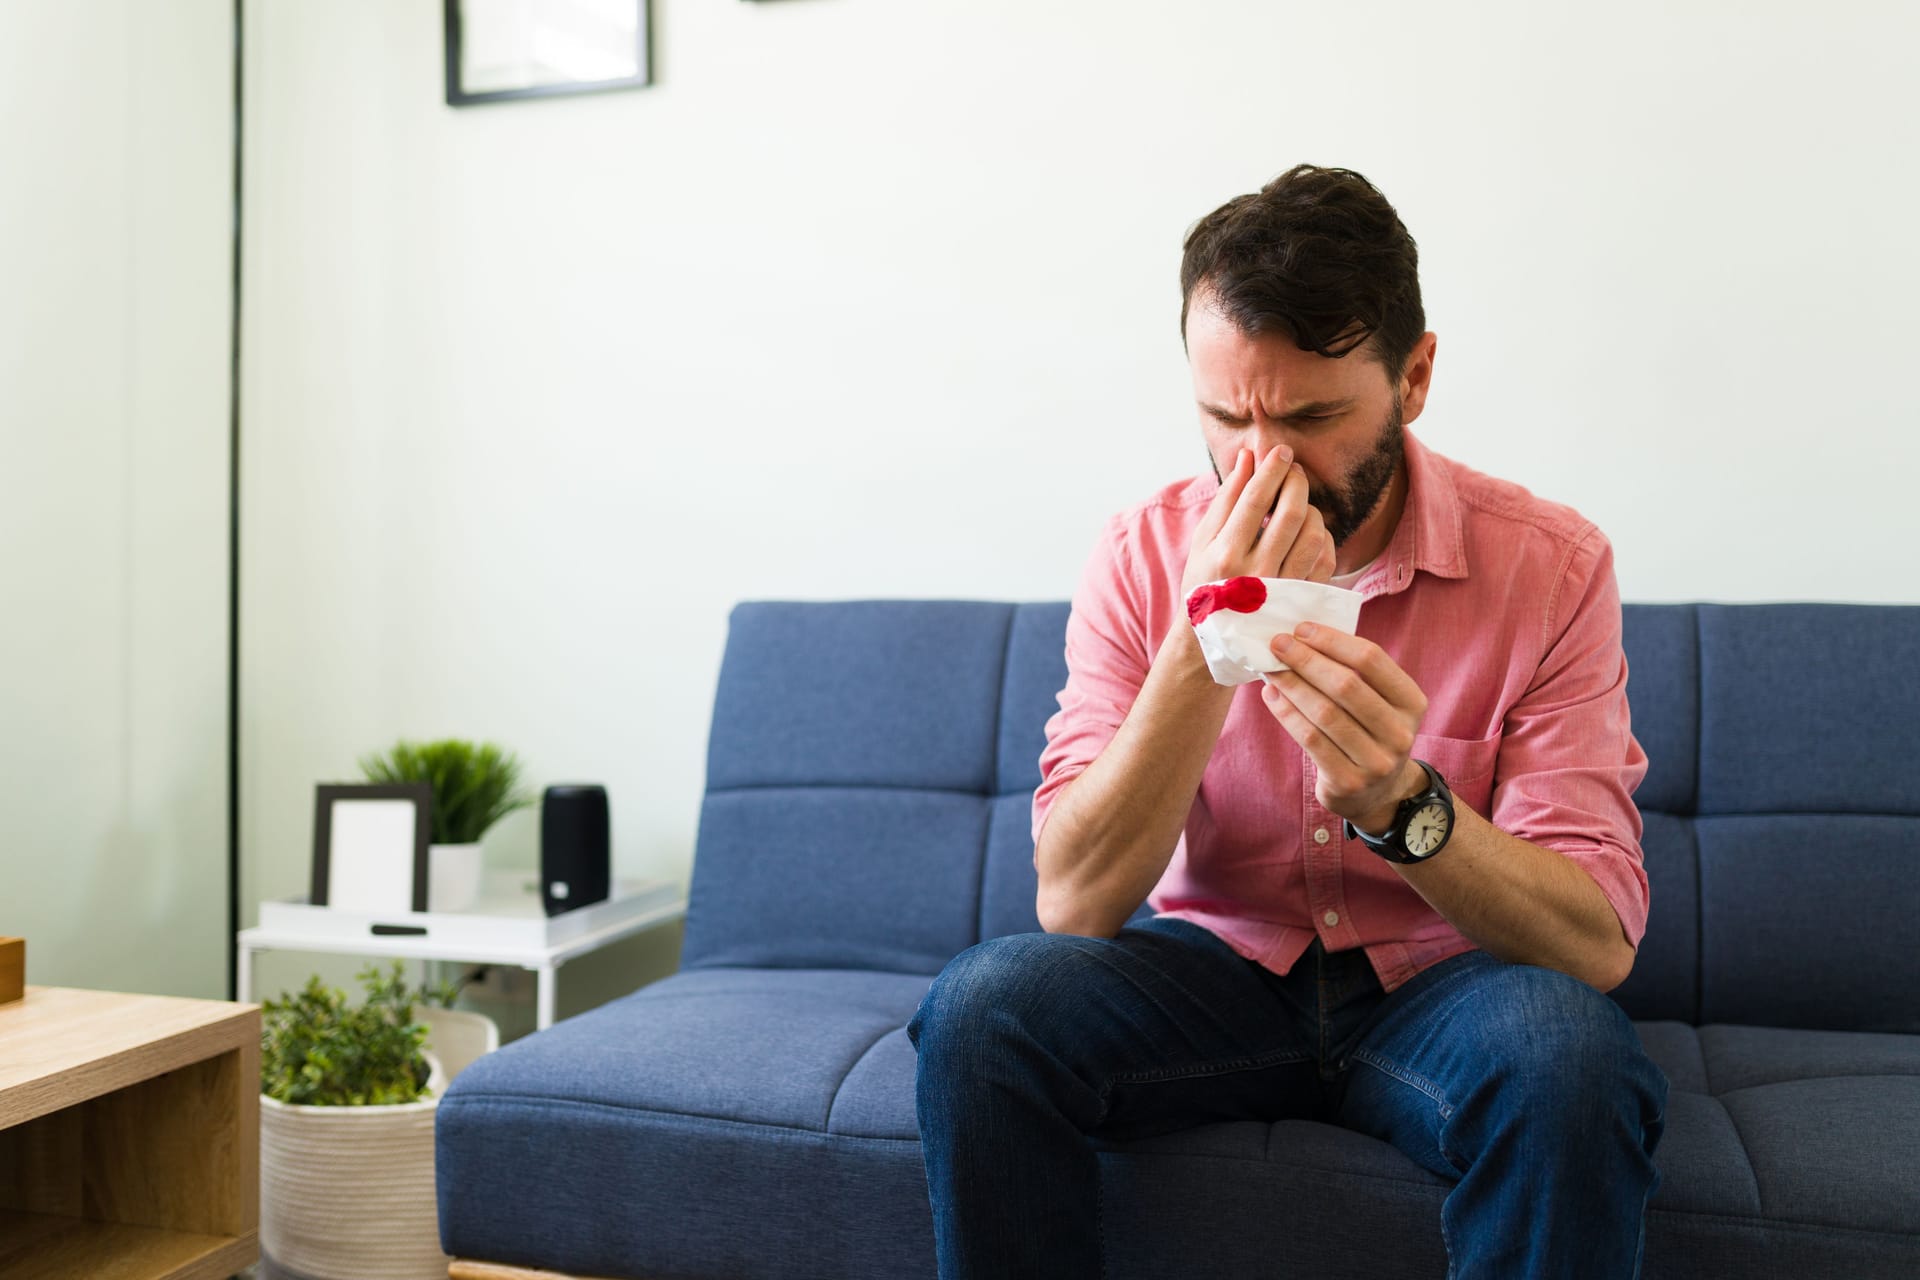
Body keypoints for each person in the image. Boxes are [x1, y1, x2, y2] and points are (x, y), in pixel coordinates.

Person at [908, 164, 1670, 1279]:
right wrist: (1205, 641)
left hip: (1445, 986)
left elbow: (1595, 939)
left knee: (1573, 1060)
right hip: (1210, 972)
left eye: (1313, 417)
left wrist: (1406, 810)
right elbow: (1072, 900)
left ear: (1413, 378)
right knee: (984, 1010)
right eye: (1225, 417)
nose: (1262, 464)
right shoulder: (1141, 553)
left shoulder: (1551, 566)